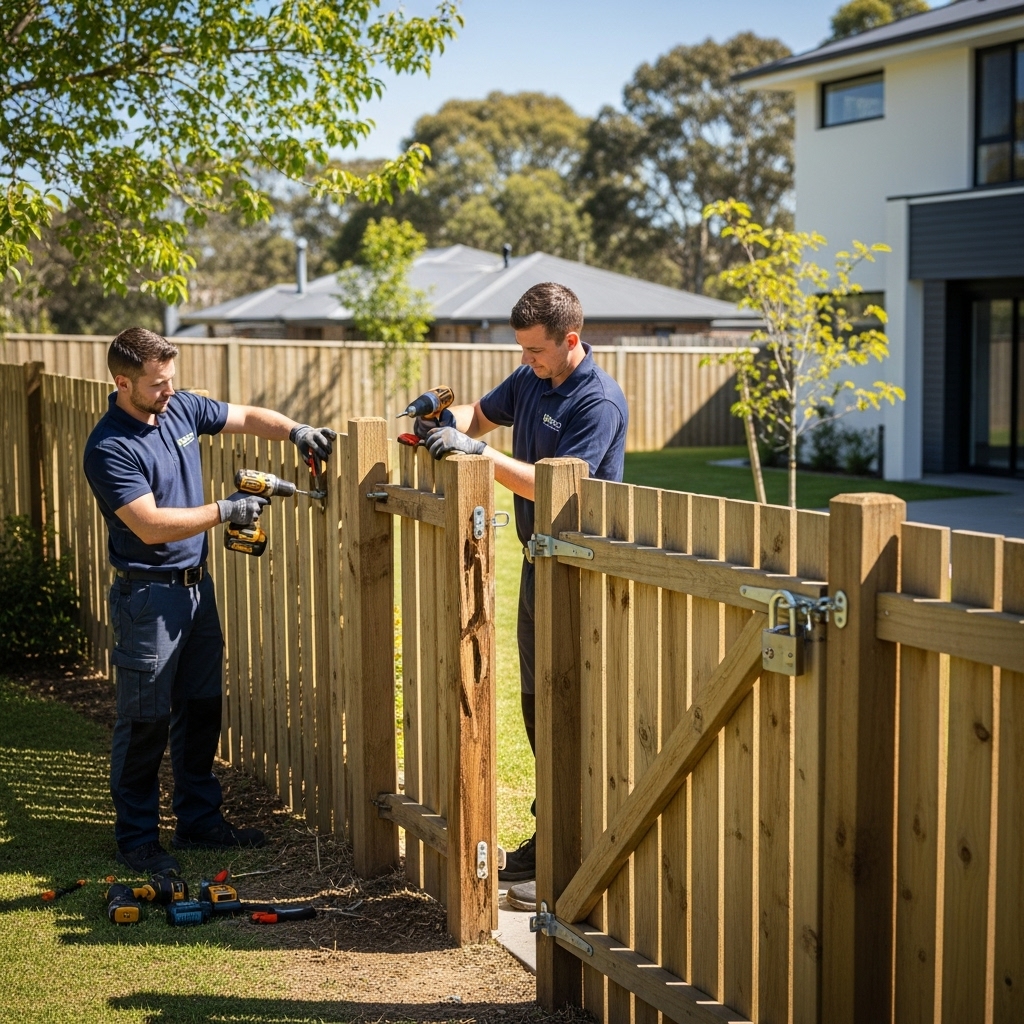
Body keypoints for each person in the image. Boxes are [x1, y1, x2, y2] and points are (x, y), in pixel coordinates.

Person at [83, 327, 336, 876]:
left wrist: (297, 431)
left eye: (171, 379)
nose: (168, 390)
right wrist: (225, 509)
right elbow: (149, 525)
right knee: (145, 719)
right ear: (123, 383)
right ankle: (137, 840)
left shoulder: (179, 409)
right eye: (156, 384)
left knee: (201, 710)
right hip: (147, 597)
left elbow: (244, 416)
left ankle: (199, 819)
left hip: (197, 590)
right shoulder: (109, 448)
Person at [419, 283, 627, 909]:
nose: (527, 360)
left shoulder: (598, 402)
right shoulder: (531, 380)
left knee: (573, 711)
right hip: (540, 567)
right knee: (539, 707)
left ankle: (573, 860)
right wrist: (437, 422)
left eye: (536, 351)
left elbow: (554, 488)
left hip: (581, 572)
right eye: (522, 350)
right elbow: (477, 417)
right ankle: (548, 838)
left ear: (570, 340)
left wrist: (478, 453)